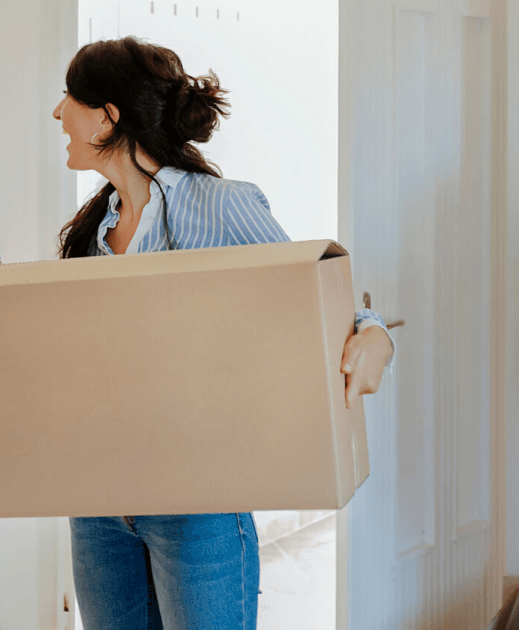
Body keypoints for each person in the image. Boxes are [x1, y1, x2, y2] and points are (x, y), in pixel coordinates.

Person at [52, 37, 395, 630]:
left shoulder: (220, 206)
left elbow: (319, 300)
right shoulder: (92, 229)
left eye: (70, 98)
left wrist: (374, 335)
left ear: (107, 117)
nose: (58, 112)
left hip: (197, 506)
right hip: (98, 507)